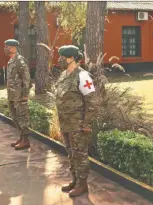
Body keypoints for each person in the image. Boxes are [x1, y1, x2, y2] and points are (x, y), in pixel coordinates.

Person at [54, 45, 99, 197]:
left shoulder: (83, 76)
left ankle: (82, 184)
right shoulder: (64, 75)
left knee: (80, 154)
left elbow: (92, 101)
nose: (59, 59)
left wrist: (87, 123)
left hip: (78, 124)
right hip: (66, 123)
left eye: (62, 56)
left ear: (71, 58)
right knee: (71, 153)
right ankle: (75, 179)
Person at [4, 39, 31, 150]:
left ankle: (26, 140)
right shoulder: (11, 61)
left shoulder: (20, 61)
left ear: (14, 48)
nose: (5, 49)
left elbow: (26, 78)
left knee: (22, 117)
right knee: (15, 117)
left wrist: (25, 95)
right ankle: (21, 138)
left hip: (20, 96)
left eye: (7, 46)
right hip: (12, 95)